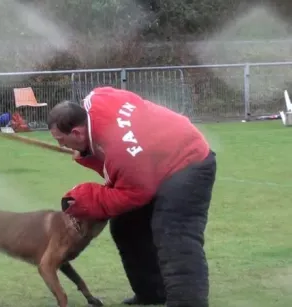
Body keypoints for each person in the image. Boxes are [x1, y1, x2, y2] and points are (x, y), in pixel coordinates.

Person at [47, 86, 217, 307]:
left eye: (61, 139)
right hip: (154, 162)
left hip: (188, 161)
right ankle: (152, 293)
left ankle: (188, 302)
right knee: (126, 226)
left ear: (77, 133)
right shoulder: (97, 98)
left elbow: (134, 193)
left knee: (174, 232)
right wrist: (89, 152)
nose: (60, 145)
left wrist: (82, 199)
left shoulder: (119, 150)